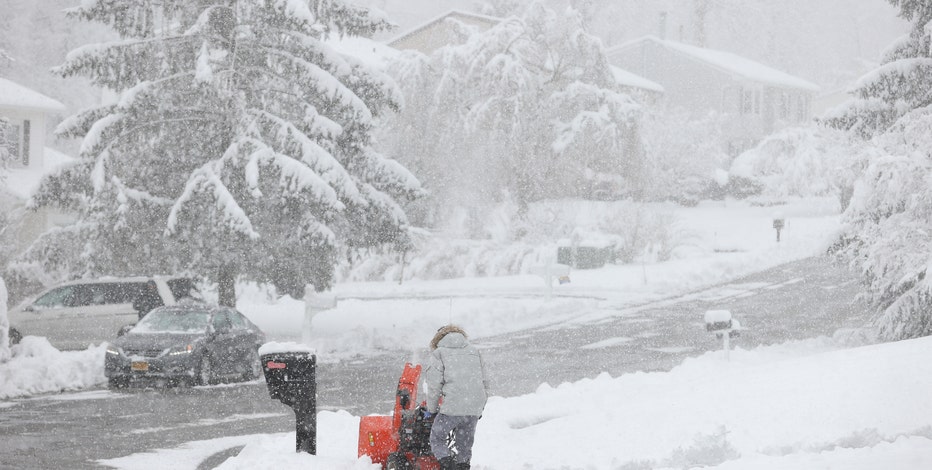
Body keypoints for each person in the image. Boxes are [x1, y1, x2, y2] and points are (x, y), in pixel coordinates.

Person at [422, 325, 490, 470]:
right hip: (474, 406)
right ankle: (463, 466)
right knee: (464, 443)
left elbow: (434, 385)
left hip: (452, 406)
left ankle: (448, 465)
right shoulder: (475, 351)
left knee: (437, 437)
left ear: (438, 339)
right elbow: (485, 382)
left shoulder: (439, 353)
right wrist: (480, 407)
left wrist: (432, 410)